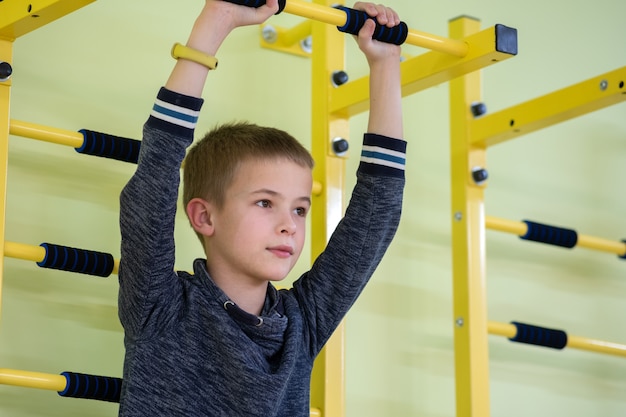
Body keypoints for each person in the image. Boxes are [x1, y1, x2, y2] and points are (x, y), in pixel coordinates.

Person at [117, 0, 405, 415]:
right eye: (266, 202)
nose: (289, 225)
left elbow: (376, 215)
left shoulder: (300, 323)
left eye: (300, 210)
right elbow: (152, 185)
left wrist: (385, 64)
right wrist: (215, 21)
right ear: (204, 216)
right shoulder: (161, 307)